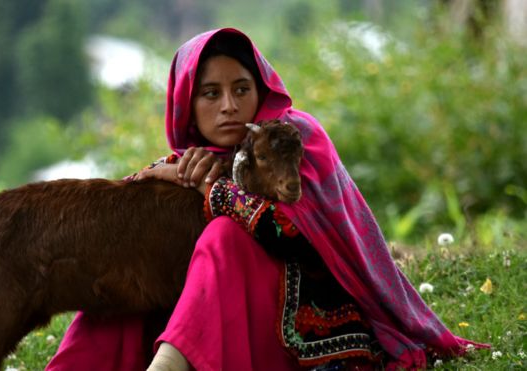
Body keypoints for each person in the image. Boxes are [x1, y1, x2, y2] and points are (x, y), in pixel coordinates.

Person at [46, 28, 487, 371]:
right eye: (210, 93)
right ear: (187, 104)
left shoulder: (295, 137)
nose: (229, 106)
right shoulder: (189, 160)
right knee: (138, 251)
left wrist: (210, 189)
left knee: (224, 235)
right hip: (222, 323)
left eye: (241, 88)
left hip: (303, 324)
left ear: (260, 91)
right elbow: (120, 219)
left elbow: (291, 235)